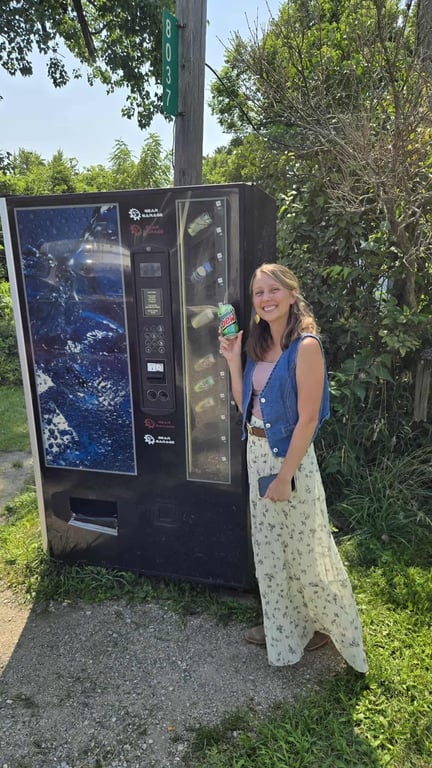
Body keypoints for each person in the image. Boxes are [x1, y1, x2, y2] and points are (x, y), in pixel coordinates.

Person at [219, 263, 368, 673]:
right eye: (259, 293)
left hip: (290, 461)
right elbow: (246, 406)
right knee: (271, 551)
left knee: (306, 549)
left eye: (273, 290)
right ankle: (285, 626)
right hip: (257, 454)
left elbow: (309, 419)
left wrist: (285, 476)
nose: (265, 299)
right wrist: (232, 360)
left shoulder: (306, 347)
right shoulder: (259, 344)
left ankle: (328, 626)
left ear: (291, 294)